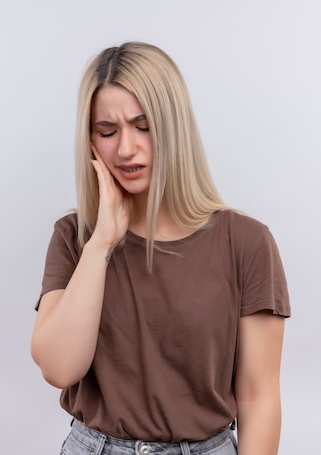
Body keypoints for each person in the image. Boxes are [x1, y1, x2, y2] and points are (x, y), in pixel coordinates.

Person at [31, 41, 290, 455]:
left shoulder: (246, 243)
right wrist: (101, 245)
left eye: (144, 126)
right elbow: (60, 368)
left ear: (174, 127)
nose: (126, 148)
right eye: (107, 131)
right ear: (90, 141)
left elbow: (259, 397)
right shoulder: (75, 238)